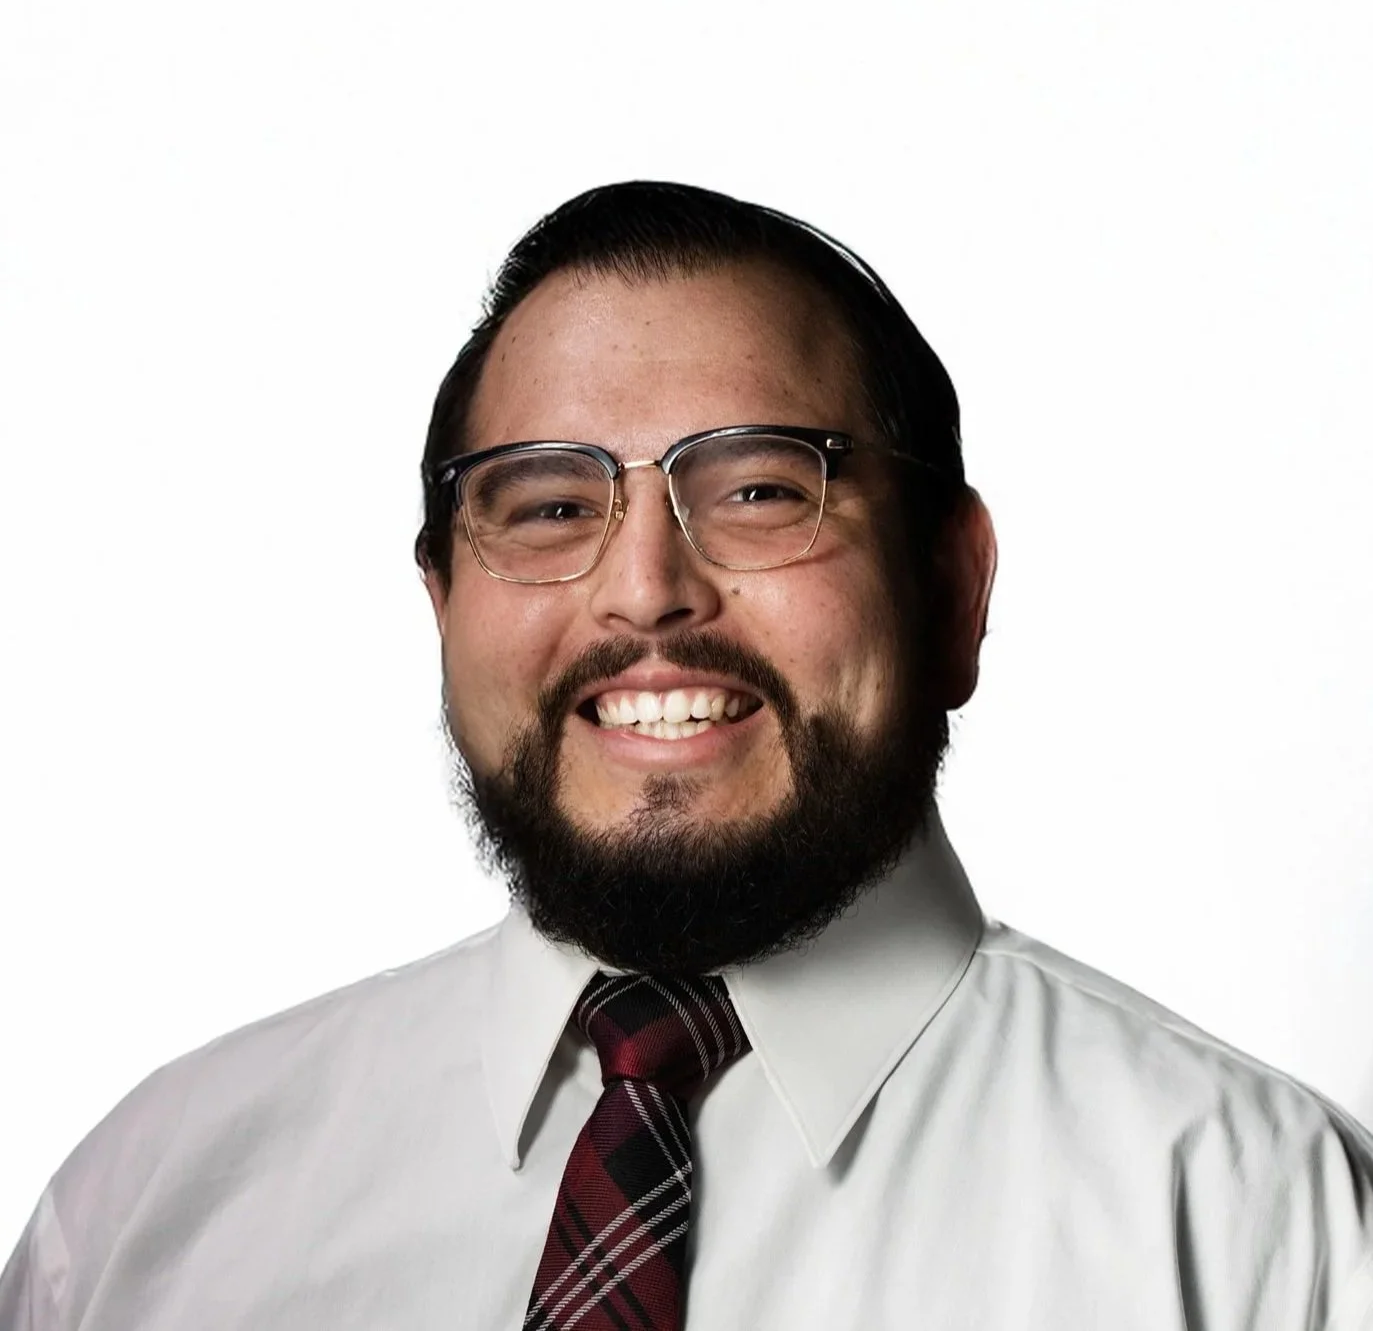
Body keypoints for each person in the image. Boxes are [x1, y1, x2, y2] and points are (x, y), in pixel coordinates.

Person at [3, 181, 1371, 1330]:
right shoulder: (141, 1225)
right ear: (441, 606)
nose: (646, 591)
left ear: (954, 591)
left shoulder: (1261, 1227)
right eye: (547, 507)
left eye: (763, 491)